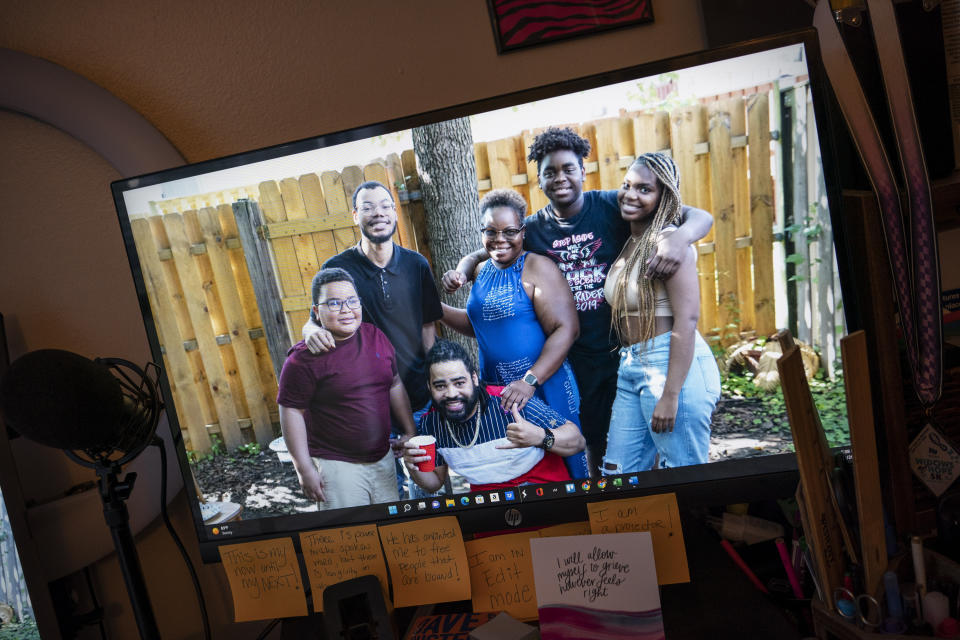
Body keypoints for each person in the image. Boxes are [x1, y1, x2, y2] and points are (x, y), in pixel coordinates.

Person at [442, 127, 713, 474]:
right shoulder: (535, 228)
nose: (561, 178)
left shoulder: (613, 205)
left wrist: (682, 238)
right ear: (539, 181)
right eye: (549, 172)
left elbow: (694, 214)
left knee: (660, 442)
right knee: (601, 444)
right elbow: (490, 247)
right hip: (580, 356)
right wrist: (463, 269)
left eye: (569, 168)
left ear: (583, 171)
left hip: (626, 348)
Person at [302, 180, 444, 497]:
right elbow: (315, 321)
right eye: (367, 207)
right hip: (367, 410)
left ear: (394, 213)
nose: (377, 213)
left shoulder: (416, 265)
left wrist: (435, 382)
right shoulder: (336, 268)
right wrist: (310, 330)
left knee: (429, 492)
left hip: (419, 400)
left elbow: (427, 329)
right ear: (355, 215)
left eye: (384, 206)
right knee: (385, 495)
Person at [438, 189, 588, 478]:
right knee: (519, 467)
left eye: (509, 231)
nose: (500, 239)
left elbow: (567, 329)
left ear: (523, 231)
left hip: (545, 385)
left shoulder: (536, 267)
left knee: (565, 464)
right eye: (491, 231)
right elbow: (480, 326)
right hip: (500, 392)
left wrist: (530, 381)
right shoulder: (482, 271)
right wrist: (436, 309)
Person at [602, 153, 721, 473]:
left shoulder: (666, 241)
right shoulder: (632, 240)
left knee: (682, 472)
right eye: (627, 185)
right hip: (631, 364)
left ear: (663, 196)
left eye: (644, 189)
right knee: (618, 473)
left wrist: (671, 395)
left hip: (670, 364)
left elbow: (687, 320)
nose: (631, 194)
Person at [278, 267, 417, 509]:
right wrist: (304, 468)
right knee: (354, 538)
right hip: (337, 465)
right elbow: (291, 411)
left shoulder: (376, 337)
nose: (345, 309)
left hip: (383, 459)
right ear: (316, 312)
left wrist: (408, 430)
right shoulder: (303, 359)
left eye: (352, 301)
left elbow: (394, 384)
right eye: (334, 303)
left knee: (391, 529)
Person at [402, 340, 585, 493]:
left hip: (545, 496)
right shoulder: (431, 424)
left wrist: (539, 436)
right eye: (440, 386)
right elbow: (435, 483)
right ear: (429, 387)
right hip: (490, 508)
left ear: (474, 379)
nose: (451, 393)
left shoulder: (510, 401)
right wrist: (413, 467)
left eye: (459, 383)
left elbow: (577, 440)